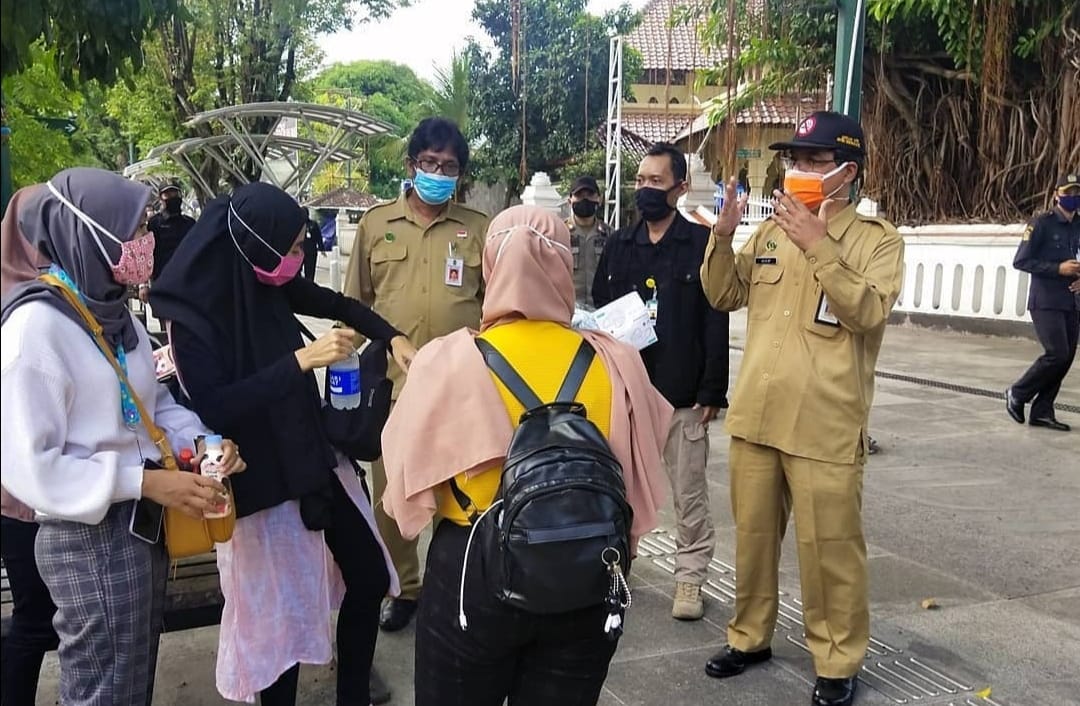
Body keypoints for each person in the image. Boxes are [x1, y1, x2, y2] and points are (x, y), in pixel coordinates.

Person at [380, 205, 672, 706]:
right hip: (587, 566)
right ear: (562, 267)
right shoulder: (616, 361)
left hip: (472, 570)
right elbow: (640, 479)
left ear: (490, 269)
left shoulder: (447, 361)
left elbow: (405, 499)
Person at [150, 182, 415, 705]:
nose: (298, 259)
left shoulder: (264, 278)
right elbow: (214, 407)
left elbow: (337, 302)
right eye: (291, 248)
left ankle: (353, 693)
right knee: (281, 627)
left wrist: (394, 336)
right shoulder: (191, 320)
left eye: (301, 246)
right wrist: (300, 361)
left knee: (366, 573)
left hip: (308, 453)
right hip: (257, 482)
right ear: (256, 245)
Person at [1, 167, 245, 706]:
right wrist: (146, 483)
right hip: (87, 538)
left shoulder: (115, 318)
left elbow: (150, 407)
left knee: (127, 683)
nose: (147, 242)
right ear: (93, 234)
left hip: (139, 531)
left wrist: (208, 442)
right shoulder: (35, 330)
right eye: (135, 230)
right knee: (100, 690)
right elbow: (32, 468)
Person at [699, 111, 904, 706]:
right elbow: (722, 293)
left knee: (830, 551)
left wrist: (819, 246)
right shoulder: (768, 234)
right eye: (796, 160)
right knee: (754, 538)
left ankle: (838, 661)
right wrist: (721, 236)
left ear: (848, 172)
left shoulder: (877, 241)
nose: (801, 171)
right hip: (759, 416)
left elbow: (868, 312)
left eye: (816, 161)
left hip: (825, 423)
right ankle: (749, 637)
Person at [344, 116, 489, 632]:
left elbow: (493, 309)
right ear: (410, 166)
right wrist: (341, 380)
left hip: (463, 387)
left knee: (465, 491)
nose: (437, 173)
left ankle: (460, 583)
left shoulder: (477, 230)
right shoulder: (375, 226)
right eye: (429, 163)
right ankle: (405, 588)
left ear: (459, 174)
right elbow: (354, 309)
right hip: (395, 388)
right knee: (395, 495)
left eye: (448, 166)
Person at [592, 142, 729, 622]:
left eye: (656, 182)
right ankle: (616, 566)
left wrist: (713, 389)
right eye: (640, 181)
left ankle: (689, 578)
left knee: (688, 491)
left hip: (682, 393)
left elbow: (717, 316)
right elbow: (600, 313)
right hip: (628, 392)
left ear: (679, 188)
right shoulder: (618, 246)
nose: (645, 190)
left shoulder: (699, 245)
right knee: (619, 487)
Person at [0, 184, 60, 706]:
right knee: (35, 620)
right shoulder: (22, 309)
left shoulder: (62, 296)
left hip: (55, 498)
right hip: (19, 501)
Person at [1006, 172, 1080, 431]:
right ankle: (1018, 392)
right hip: (1046, 300)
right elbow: (1021, 261)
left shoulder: (1078, 224)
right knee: (1056, 353)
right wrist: (1057, 269)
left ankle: (1043, 411)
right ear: (1056, 195)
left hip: (1072, 301)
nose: (1073, 198)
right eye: (1068, 193)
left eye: (1076, 193)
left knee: (1067, 356)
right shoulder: (1041, 223)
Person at [566, 175, 612, 308]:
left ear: (599, 199)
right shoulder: (559, 233)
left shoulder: (610, 235)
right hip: (569, 312)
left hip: (601, 312)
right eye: (579, 195)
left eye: (590, 194)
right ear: (570, 200)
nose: (585, 199)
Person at [303, 217, 322, 281]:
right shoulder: (298, 224)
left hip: (311, 251)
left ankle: (309, 284)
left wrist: (321, 248)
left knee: (310, 271)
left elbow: (318, 236)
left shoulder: (313, 224)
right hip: (302, 250)